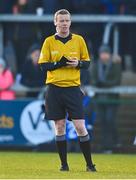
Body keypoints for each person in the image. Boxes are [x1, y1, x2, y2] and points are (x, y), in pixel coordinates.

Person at [38, 9, 96, 172]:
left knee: (80, 126)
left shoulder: (79, 40)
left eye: (66, 20)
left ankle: (90, 165)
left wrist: (78, 63)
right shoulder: (49, 41)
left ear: (70, 22)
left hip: (72, 88)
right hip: (54, 89)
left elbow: (87, 63)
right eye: (61, 20)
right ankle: (64, 165)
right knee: (60, 126)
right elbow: (43, 65)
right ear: (55, 22)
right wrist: (60, 64)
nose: (64, 23)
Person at [91, 45, 122, 153]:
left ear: (109, 54)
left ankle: (113, 143)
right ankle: (106, 145)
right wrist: (98, 84)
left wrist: (103, 84)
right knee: (103, 122)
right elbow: (93, 80)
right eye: (102, 53)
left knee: (110, 120)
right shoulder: (95, 65)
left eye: (106, 53)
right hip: (99, 99)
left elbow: (117, 81)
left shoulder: (115, 65)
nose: (104, 55)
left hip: (112, 99)